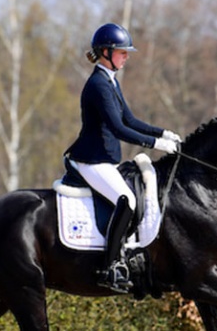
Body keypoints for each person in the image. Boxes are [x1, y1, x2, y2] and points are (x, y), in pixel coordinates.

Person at [64, 23, 181, 292]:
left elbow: (129, 119)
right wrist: (156, 144)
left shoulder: (110, 80)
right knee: (125, 201)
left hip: (104, 159)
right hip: (91, 161)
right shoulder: (98, 84)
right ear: (105, 52)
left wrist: (163, 132)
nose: (127, 56)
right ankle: (110, 265)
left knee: (131, 197)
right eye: (122, 52)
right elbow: (118, 128)